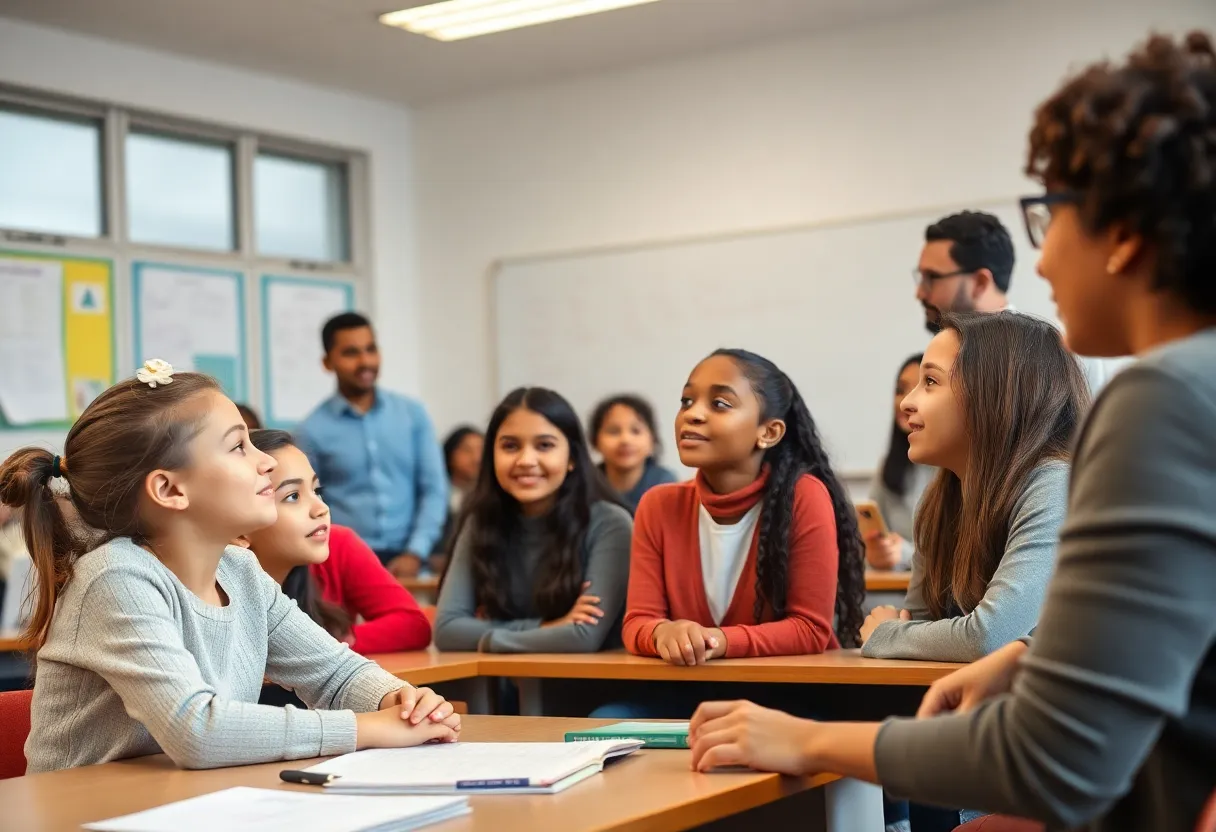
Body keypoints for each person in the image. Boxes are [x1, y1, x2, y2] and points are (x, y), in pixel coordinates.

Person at [686, 31, 1216, 832]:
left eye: (1050, 217)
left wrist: (808, 740)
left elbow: (1057, 761)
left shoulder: (1163, 402)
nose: (1037, 267)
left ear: (1127, 232)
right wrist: (1031, 660)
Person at [0, 361, 460, 773]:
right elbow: (198, 731)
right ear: (170, 490)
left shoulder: (240, 571)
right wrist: (370, 729)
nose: (266, 464)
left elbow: (335, 674)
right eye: (239, 447)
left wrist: (400, 700)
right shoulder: (115, 577)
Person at [860, 313, 1086, 663]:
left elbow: (988, 636)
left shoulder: (1055, 484)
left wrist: (886, 634)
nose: (907, 403)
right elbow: (921, 629)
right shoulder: (938, 500)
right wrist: (902, 636)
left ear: (992, 394)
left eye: (930, 382)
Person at [623, 348, 866, 664]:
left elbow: (809, 629)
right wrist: (662, 633)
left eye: (720, 404)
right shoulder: (658, 505)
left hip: (784, 694)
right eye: (686, 401)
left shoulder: (804, 496)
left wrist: (716, 640)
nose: (692, 414)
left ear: (769, 432)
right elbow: (638, 621)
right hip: (685, 690)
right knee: (607, 713)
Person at [433, 387, 633, 654]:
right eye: (510, 446)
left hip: (590, 689)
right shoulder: (480, 521)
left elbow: (583, 636)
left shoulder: (610, 523)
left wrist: (489, 638)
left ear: (572, 457)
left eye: (545, 445)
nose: (526, 460)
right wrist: (548, 627)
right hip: (508, 687)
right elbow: (447, 631)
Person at [243, 429, 432, 655]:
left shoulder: (337, 543)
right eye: (293, 496)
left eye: (316, 490)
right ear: (240, 528)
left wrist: (322, 646)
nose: (321, 509)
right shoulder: (214, 596)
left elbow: (413, 625)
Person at [294, 312, 448, 580]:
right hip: (344, 567)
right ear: (327, 363)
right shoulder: (311, 430)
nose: (365, 361)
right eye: (351, 353)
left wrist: (415, 552)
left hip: (412, 564)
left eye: (371, 349)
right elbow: (308, 504)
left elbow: (434, 490)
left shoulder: (413, 415)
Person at [914, 211, 1128, 392]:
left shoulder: (1058, 352)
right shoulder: (943, 358)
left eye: (932, 278)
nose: (920, 293)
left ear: (980, 282)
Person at [864, 354, 933, 570]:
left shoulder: (960, 466)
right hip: (893, 583)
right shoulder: (888, 466)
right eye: (900, 390)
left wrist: (904, 553)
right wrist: (875, 552)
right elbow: (869, 539)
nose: (905, 401)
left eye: (921, 389)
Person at [589, 394, 678, 514]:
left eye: (636, 431)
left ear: (652, 440)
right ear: (595, 441)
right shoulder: (586, 483)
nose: (625, 440)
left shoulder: (665, 485)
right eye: (613, 431)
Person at [432, 426, 484, 570]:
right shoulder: (434, 497)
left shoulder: (491, 497)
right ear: (450, 455)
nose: (476, 458)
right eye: (467, 450)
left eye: (481, 450)